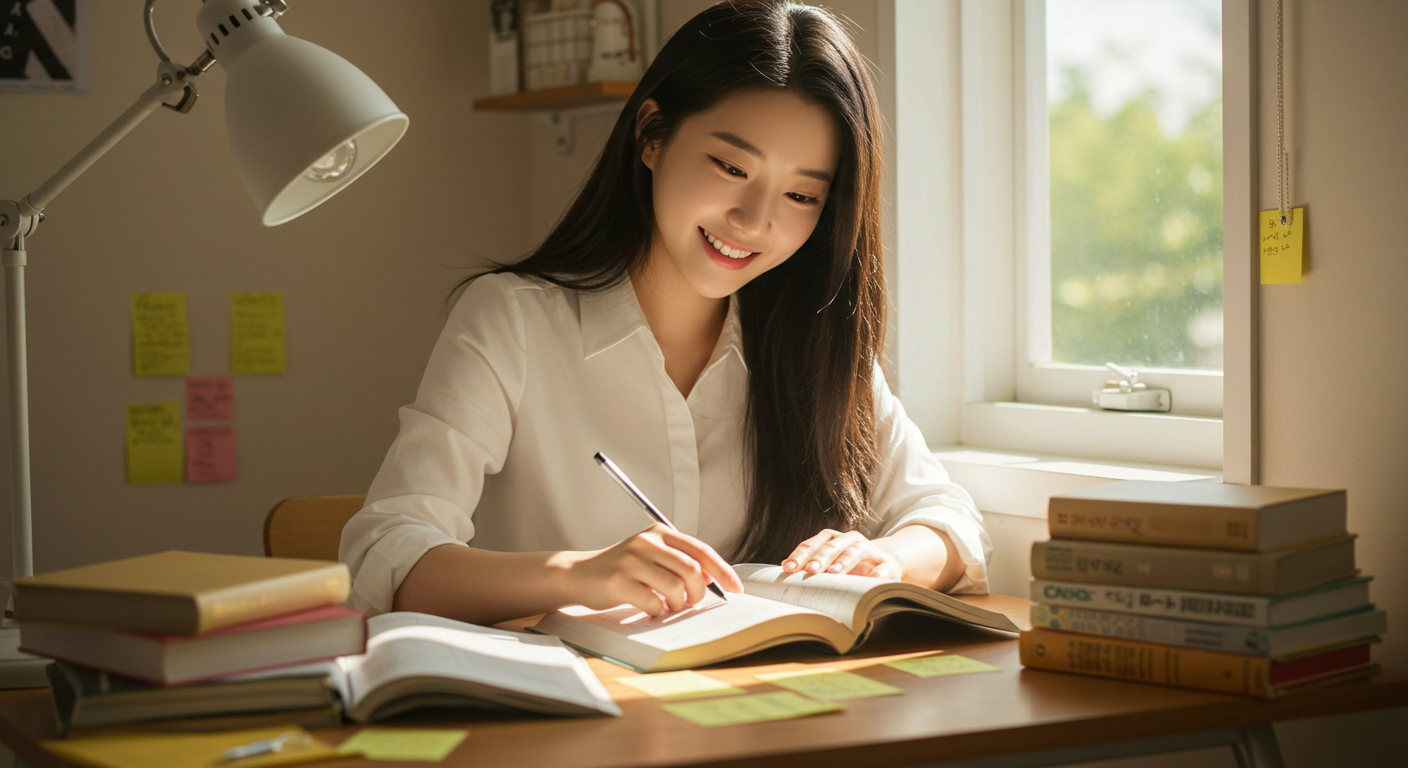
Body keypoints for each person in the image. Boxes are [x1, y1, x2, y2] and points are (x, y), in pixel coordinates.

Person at [339, 0, 992, 626]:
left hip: (744, 714)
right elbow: (384, 552)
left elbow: (948, 519)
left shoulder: (812, 340)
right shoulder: (513, 321)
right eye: (731, 166)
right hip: (555, 714)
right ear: (652, 134)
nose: (755, 219)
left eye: (799, 194)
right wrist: (576, 575)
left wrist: (885, 561)